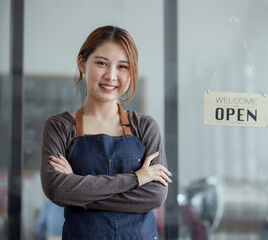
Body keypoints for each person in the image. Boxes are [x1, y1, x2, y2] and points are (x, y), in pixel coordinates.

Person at [41, 25, 172, 240]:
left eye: (122, 67)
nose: (111, 76)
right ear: (82, 62)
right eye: (101, 63)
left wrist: (77, 188)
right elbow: (57, 190)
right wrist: (136, 179)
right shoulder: (59, 127)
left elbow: (155, 196)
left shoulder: (145, 127)